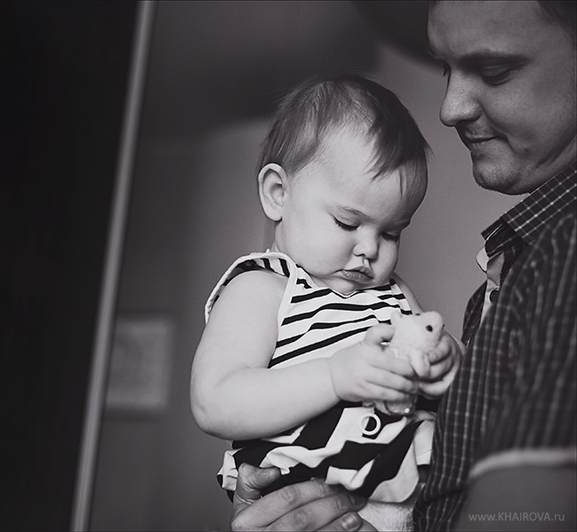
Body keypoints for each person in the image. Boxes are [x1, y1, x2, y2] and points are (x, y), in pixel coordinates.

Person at [230, 2, 576, 530]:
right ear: (278, 193)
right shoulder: (262, 288)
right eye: (445, 68)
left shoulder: (561, 255)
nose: (449, 108)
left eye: (494, 71)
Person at [191, 74, 462, 532]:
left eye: (391, 232)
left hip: (411, 488)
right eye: (347, 223)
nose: (370, 249)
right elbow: (214, 402)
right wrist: (335, 377)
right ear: (278, 194)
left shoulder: (392, 294)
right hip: (309, 492)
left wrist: (444, 362)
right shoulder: (263, 288)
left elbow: (444, 385)